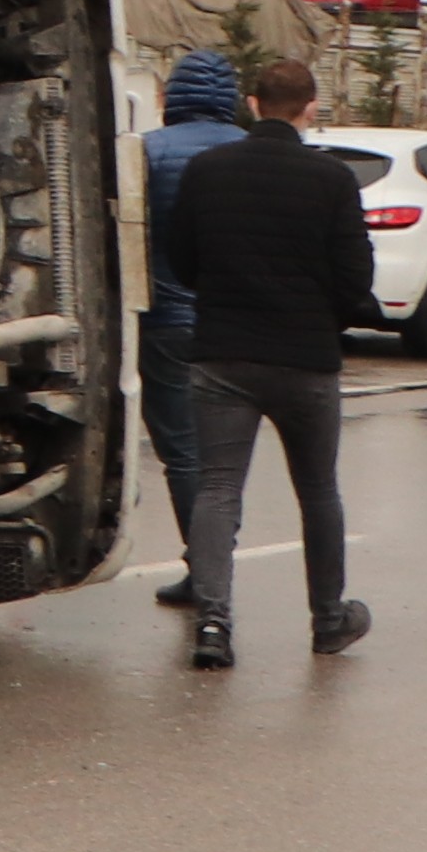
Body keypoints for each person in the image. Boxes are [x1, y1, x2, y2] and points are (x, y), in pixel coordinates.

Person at [152, 51, 380, 669]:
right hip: (307, 360)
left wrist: (223, 296)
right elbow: (357, 275)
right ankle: (329, 621)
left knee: (219, 489)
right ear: (310, 110)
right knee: (318, 492)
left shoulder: (208, 171)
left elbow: (180, 257)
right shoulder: (331, 179)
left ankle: (213, 626)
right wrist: (326, 317)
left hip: (222, 355)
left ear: (251, 105)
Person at [134, 47, 248, 611]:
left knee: (182, 453)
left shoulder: (148, 152)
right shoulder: (251, 151)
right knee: (225, 459)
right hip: (236, 326)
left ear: (171, 97)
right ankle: (213, 568)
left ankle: (200, 569)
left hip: (168, 323)